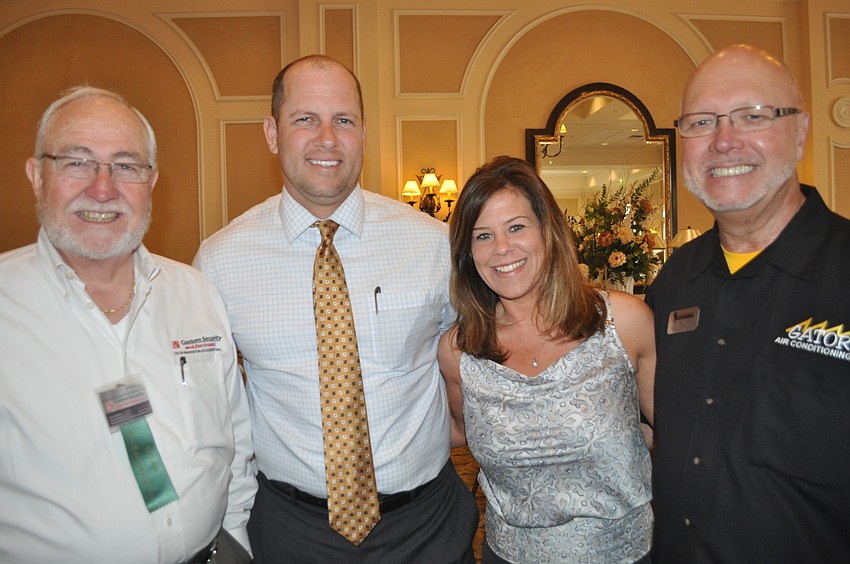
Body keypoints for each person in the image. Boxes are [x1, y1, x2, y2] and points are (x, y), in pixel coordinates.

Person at [193, 54, 479, 563]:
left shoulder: (434, 245)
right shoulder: (219, 261)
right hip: (289, 529)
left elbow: (475, 361)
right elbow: (212, 407)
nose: (327, 138)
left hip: (426, 527)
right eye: (305, 119)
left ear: (364, 132)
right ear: (272, 132)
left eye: (343, 120)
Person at [0, 86, 256, 563]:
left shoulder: (194, 292)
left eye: (125, 165)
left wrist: (235, 536)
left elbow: (235, 438)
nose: (103, 188)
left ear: (151, 181)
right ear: (37, 176)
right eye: (76, 162)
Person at [646, 44, 850, 562]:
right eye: (701, 122)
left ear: (800, 131)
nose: (724, 141)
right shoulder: (674, 281)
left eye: (753, 116)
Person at [439, 156, 655, 563]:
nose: (502, 248)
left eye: (516, 227)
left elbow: (681, 441)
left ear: (548, 231)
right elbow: (454, 431)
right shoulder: (458, 352)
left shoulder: (624, 324)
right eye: (483, 236)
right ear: (467, 253)